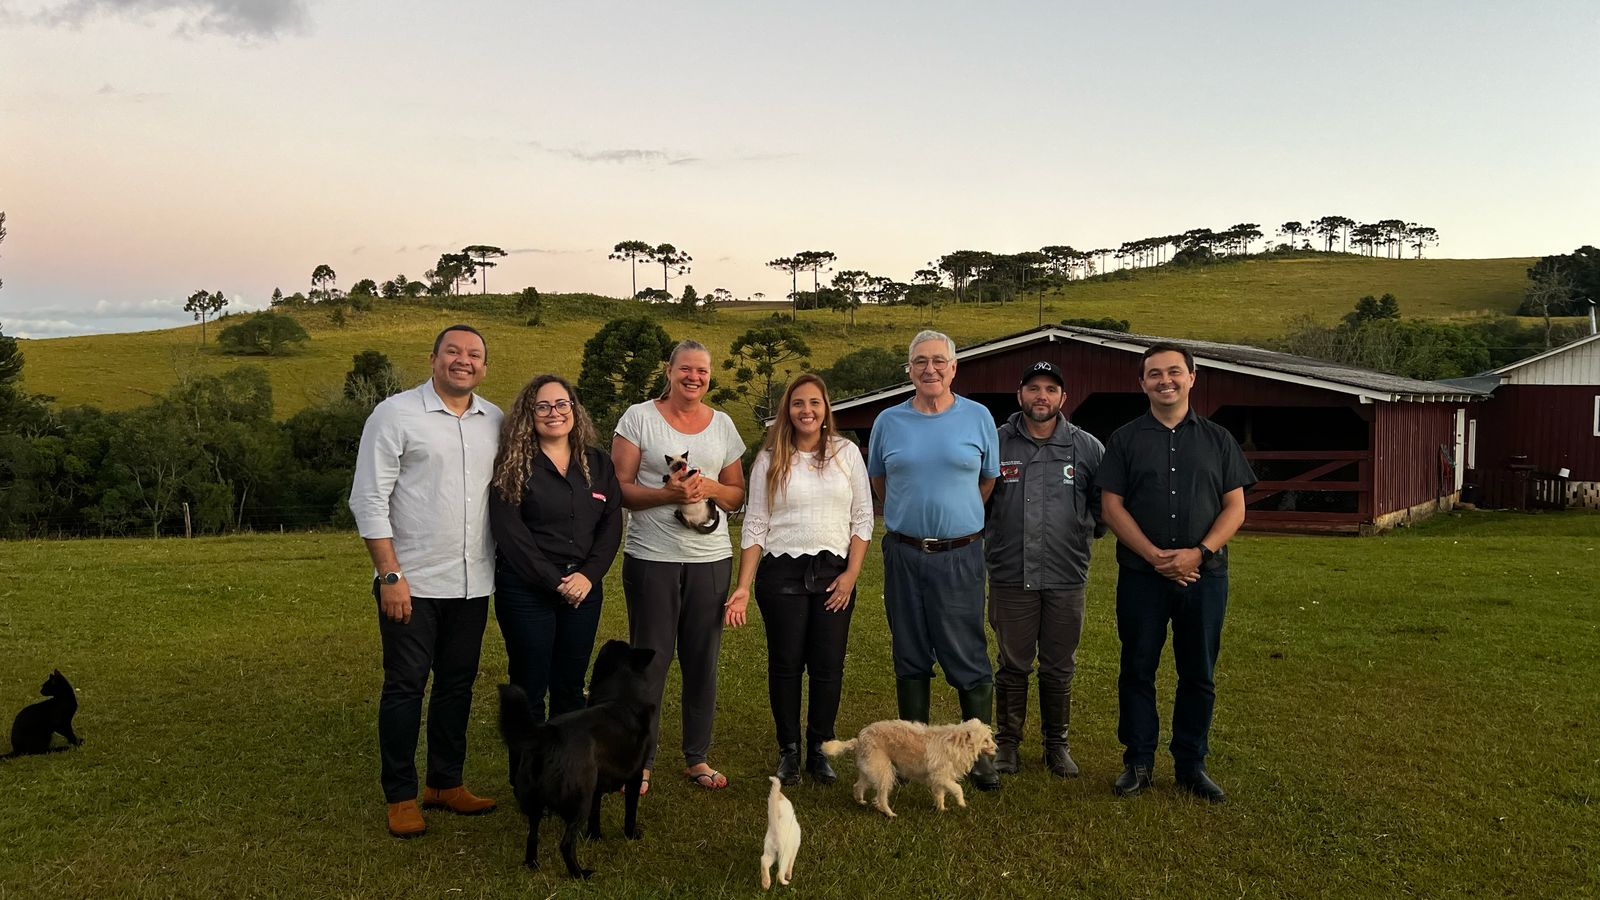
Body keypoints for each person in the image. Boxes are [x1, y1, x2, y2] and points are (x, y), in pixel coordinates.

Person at [349, 324, 503, 838]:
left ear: (484, 365)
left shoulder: (494, 421)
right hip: (409, 582)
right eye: (453, 351)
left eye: (474, 354)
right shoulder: (395, 414)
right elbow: (368, 498)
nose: (464, 360)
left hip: (473, 582)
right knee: (405, 686)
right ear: (433, 358)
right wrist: (389, 574)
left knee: (456, 685)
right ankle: (400, 795)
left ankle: (445, 782)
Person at [1098, 343, 1255, 803]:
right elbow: (1111, 506)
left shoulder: (1218, 439)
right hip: (1142, 578)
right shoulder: (1124, 440)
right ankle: (1139, 762)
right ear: (1142, 382)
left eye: (1173, 372)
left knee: (1198, 673)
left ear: (1192, 377)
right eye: (1154, 374)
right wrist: (1154, 556)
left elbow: (1235, 507)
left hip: (1204, 577)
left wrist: (1198, 554)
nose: (1164, 381)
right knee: (1137, 669)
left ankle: (1191, 764)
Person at [866, 329, 1003, 792]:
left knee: (967, 651)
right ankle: (913, 754)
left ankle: (979, 755)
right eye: (920, 361)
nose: (930, 369)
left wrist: (952, 522)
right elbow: (881, 482)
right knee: (910, 652)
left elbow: (986, 482)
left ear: (954, 367)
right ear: (909, 368)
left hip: (960, 554)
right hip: (904, 552)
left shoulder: (979, 417)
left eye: (939, 361)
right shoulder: (888, 421)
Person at [611, 339, 746, 792]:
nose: (694, 378)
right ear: (668, 371)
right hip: (652, 558)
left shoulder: (722, 425)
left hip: (710, 561)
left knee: (702, 660)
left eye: (702, 372)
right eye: (685, 369)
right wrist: (668, 495)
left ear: (710, 377)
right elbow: (620, 488)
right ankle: (640, 759)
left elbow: (736, 495)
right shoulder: (639, 417)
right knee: (649, 662)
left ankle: (697, 758)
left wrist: (707, 487)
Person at [725, 373, 873, 786]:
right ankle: (788, 750)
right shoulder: (770, 459)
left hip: (834, 574)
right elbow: (755, 523)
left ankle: (820, 749)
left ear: (826, 410)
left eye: (815, 403)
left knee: (827, 667)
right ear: (787, 411)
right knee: (786, 665)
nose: (806, 410)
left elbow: (862, 518)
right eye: (798, 403)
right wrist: (742, 586)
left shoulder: (847, 453)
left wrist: (850, 575)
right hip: (781, 575)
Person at [983, 361, 1104, 778]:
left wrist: (1078, 535)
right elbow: (977, 503)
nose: (1041, 396)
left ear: (1062, 398)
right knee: (1012, 662)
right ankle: (1008, 744)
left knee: (1059, 664)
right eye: (1033, 388)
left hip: (1066, 575)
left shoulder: (1087, 448)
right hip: (1010, 573)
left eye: (1051, 389)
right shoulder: (995, 443)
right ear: (1019, 394)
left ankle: (1057, 745)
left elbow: (1102, 510)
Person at [488, 375, 622, 732]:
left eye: (562, 404)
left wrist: (588, 576)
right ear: (528, 414)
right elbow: (510, 533)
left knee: (570, 686)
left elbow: (610, 526)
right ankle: (529, 777)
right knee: (529, 686)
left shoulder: (598, 463)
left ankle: (567, 775)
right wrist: (554, 580)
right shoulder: (514, 463)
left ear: (574, 410)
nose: (554, 413)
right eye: (542, 406)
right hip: (526, 591)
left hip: (583, 591)